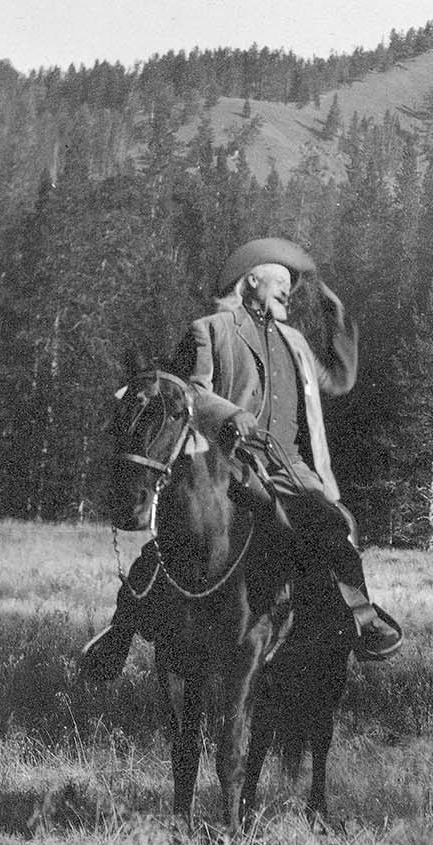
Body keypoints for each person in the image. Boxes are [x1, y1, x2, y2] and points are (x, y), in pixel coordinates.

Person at [82, 238, 402, 682]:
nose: (289, 290)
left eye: (291, 284)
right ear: (252, 280)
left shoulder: (295, 341)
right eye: (281, 281)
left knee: (333, 525)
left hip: (292, 467)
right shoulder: (210, 329)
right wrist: (232, 415)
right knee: (180, 539)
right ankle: (120, 631)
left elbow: (340, 382)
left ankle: (361, 617)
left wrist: (338, 322)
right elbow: (191, 389)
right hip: (227, 461)